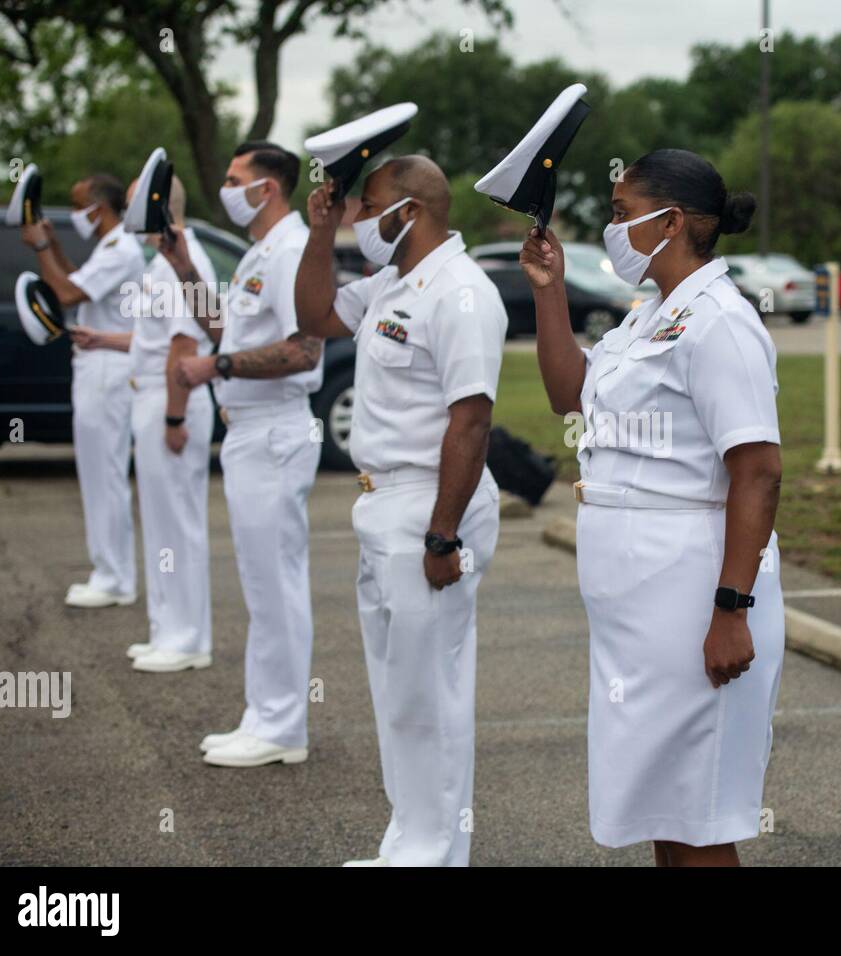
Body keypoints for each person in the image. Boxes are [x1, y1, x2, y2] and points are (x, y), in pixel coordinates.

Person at [519, 148, 784, 867]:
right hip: (639, 605)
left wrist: (732, 608)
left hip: (694, 591)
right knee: (664, 806)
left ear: (672, 220)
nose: (611, 228)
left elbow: (757, 471)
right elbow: (568, 394)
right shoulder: (650, 316)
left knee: (697, 816)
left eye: (620, 214)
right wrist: (549, 291)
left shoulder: (721, 322)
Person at [295, 152, 506, 866]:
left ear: (407, 211)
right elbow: (316, 315)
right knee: (400, 693)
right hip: (383, 502)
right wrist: (320, 234)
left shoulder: (461, 293)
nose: (358, 216)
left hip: (429, 505)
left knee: (432, 693)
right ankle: (410, 843)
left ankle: (438, 853)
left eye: (366, 205)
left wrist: (442, 536)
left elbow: (471, 420)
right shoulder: (393, 283)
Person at [157, 141, 323, 767]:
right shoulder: (263, 251)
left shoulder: (290, 253)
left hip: (276, 429)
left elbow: (303, 350)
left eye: (234, 179)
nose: (225, 189)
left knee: (274, 584)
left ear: (267, 189)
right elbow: (230, 328)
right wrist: (183, 268)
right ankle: (266, 714)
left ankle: (282, 727)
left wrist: (215, 367)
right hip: (253, 430)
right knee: (259, 583)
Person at [70, 173, 218, 672]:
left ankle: (188, 637)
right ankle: (167, 628)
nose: (125, 215)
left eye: (132, 205)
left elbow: (184, 345)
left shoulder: (183, 262)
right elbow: (150, 340)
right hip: (150, 393)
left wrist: (175, 417)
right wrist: (102, 340)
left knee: (176, 525)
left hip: (169, 398)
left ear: (156, 208)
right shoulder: (161, 263)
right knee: (159, 526)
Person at [20, 174, 143, 608]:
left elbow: (68, 293)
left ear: (99, 208)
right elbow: (76, 279)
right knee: (97, 474)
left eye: (78, 205)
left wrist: (38, 247)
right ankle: (107, 570)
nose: (74, 215)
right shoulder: (111, 249)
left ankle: (115, 578)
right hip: (99, 367)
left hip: (109, 370)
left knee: (104, 474)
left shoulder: (122, 250)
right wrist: (51, 247)